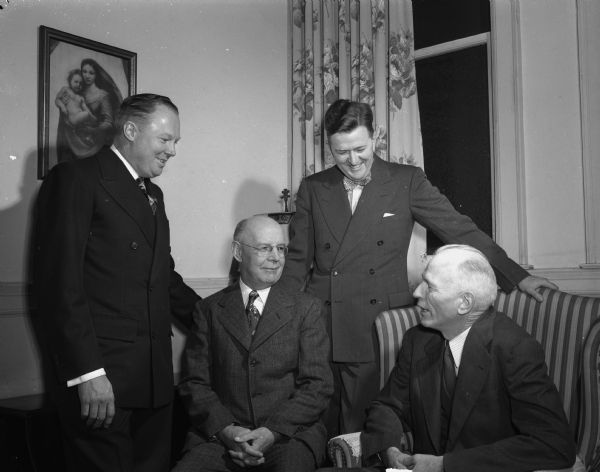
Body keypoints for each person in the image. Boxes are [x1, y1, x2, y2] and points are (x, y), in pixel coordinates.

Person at [280, 99, 559, 436]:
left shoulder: (406, 180)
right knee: (316, 420)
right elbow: (297, 261)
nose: (352, 161)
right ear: (330, 147)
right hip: (320, 321)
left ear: (377, 137)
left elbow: (461, 229)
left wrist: (519, 276)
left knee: (364, 424)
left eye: (360, 149)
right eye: (341, 152)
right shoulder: (313, 187)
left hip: (375, 323)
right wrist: (280, 316)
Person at [35, 93, 200, 472]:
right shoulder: (76, 179)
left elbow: (163, 279)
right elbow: (59, 288)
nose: (172, 151)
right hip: (101, 383)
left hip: (154, 382)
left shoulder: (152, 194)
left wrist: (222, 318)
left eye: (175, 141)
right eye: (165, 139)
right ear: (129, 130)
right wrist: (88, 374)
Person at [355, 245, 576, 472]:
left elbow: (555, 444)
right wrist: (389, 450)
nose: (417, 293)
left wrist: (444, 465)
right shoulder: (417, 340)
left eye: (429, 286)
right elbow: (388, 405)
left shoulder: (515, 349)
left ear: (464, 303)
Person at [172, 215, 333, 472]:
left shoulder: (306, 308)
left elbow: (318, 386)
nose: (276, 257)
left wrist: (271, 432)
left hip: (288, 436)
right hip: (222, 438)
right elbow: (195, 384)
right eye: (264, 248)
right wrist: (227, 431)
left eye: (281, 249)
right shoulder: (209, 310)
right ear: (238, 251)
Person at [56, 58, 122, 162]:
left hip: (93, 143)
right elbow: (66, 110)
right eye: (84, 72)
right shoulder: (76, 92)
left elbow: (108, 122)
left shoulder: (102, 95)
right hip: (73, 140)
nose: (87, 75)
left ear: (96, 75)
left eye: (91, 73)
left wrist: (93, 131)